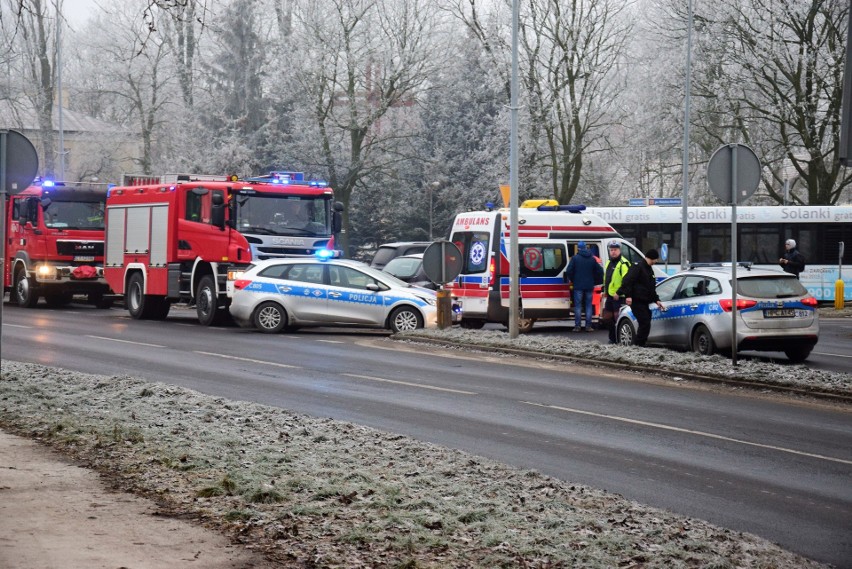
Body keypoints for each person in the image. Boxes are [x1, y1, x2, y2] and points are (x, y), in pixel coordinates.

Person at [617, 248, 665, 346]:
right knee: (644, 322)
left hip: (644, 302)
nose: (656, 261)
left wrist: (657, 300)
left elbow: (651, 288)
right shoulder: (638, 267)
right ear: (651, 258)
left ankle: (640, 344)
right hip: (636, 301)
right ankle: (639, 345)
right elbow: (627, 281)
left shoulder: (649, 269)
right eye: (655, 259)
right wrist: (628, 296)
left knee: (646, 323)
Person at [564, 241, 604, 332]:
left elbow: (569, 271)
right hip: (589, 286)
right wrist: (595, 281)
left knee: (578, 306)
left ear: (578, 248)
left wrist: (573, 280)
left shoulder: (575, 258)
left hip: (578, 286)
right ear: (586, 248)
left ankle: (577, 326)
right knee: (588, 306)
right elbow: (600, 271)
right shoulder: (592, 259)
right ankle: (588, 326)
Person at [601, 241, 631, 344]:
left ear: (619, 250)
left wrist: (619, 293)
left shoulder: (624, 264)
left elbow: (627, 281)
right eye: (611, 250)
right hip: (610, 296)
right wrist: (605, 291)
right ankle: (612, 338)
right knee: (607, 318)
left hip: (619, 297)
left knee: (618, 319)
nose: (613, 252)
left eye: (615, 250)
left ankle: (618, 340)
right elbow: (607, 278)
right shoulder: (609, 262)